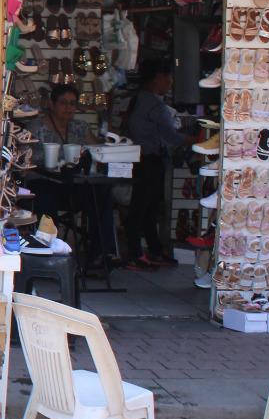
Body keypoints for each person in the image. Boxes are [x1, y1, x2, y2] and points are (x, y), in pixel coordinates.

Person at [27, 85, 118, 267]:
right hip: (44, 182)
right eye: (63, 103)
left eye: (72, 104)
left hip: (73, 185)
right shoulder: (36, 127)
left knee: (101, 195)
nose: (68, 108)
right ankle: (46, 253)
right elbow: (24, 160)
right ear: (52, 104)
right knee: (45, 197)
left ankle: (102, 254)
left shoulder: (80, 127)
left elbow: (97, 152)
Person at [123, 59, 184, 269]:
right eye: (168, 78)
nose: (170, 82)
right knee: (142, 208)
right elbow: (172, 136)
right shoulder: (154, 104)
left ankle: (153, 250)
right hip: (148, 160)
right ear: (158, 77)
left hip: (143, 158)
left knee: (147, 208)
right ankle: (135, 253)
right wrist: (196, 139)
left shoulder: (140, 100)